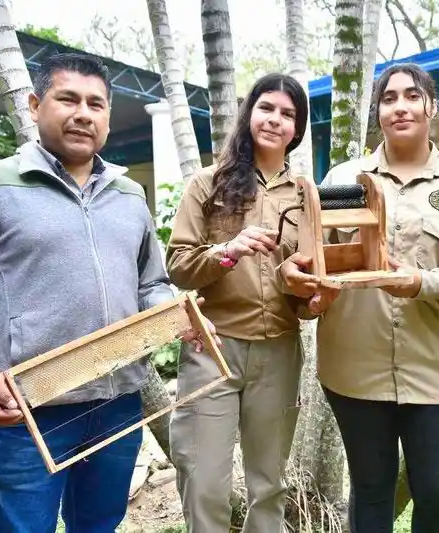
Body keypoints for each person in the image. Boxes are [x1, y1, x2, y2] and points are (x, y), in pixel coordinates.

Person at [0, 53, 216, 532]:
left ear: (108, 116)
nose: (83, 113)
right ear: (34, 105)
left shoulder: (129, 195)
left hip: (118, 404)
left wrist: (180, 316)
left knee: (99, 525)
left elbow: (150, 284)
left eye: (96, 103)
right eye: (67, 98)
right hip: (28, 410)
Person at [279, 63, 439, 533]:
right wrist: (307, 288)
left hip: (433, 370)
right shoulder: (343, 177)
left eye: (411, 95)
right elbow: (316, 259)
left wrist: (421, 282)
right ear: (377, 111)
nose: (400, 106)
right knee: (371, 492)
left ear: (431, 106)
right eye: (389, 98)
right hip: (355, 370)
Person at [165, 73, 311, 533]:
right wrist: (227, 251)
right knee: (204, 477)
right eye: (267, 108)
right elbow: (178, 265)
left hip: (280, 350)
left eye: (288, 114)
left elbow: (310, 282)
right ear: (249, 113)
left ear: (298, 128)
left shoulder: (308, 195)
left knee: (269, 482)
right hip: (214, 350)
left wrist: (314, 295)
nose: (275, 120)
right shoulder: (207, 184)